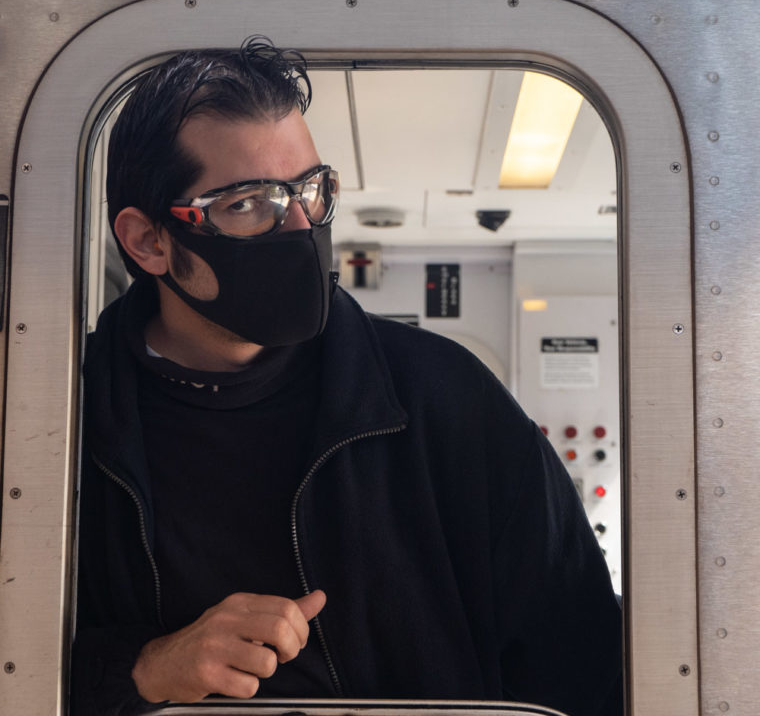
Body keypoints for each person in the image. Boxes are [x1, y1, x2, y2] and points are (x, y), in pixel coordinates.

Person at [72, 37, 623, 716]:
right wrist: (146, 669)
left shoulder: (443, 396)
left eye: (309, 190)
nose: (301, 226)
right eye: (249, 203)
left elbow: (582, 653)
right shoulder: (65, 416)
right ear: (149, 241)